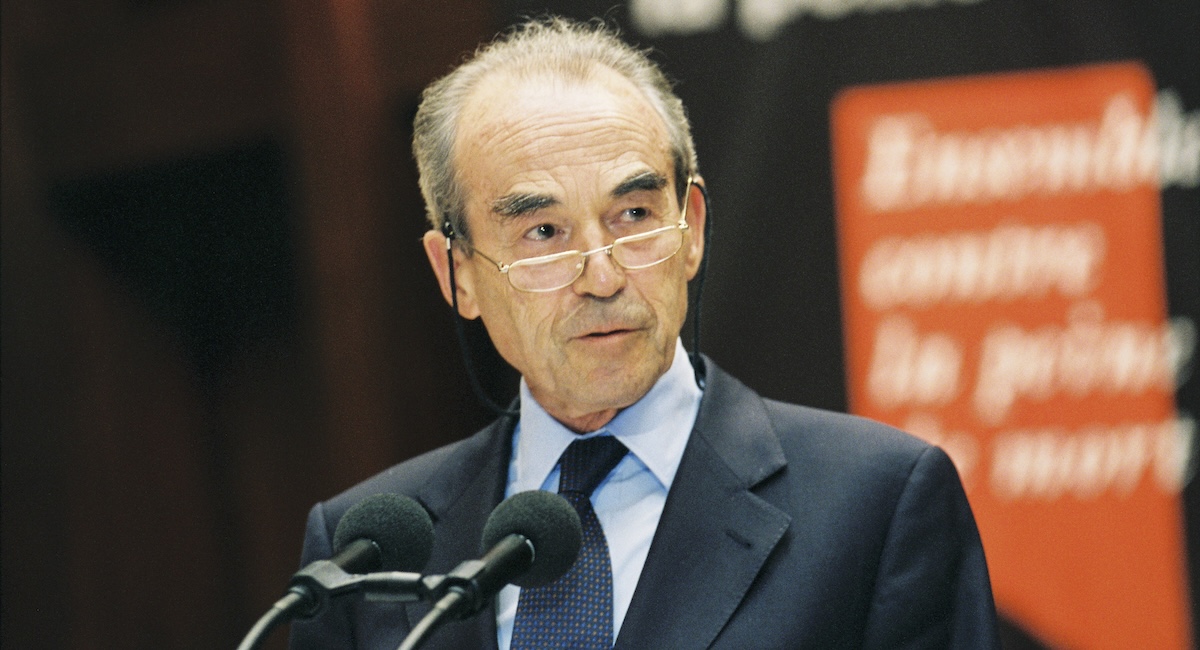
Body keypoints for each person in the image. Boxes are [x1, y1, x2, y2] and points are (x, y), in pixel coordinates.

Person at [290, 16, 999, 649]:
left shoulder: (875, 505)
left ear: (690, 229)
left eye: (633, 216)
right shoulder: (368, 552)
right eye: (543, 232)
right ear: (458, 276)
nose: (602, 276)